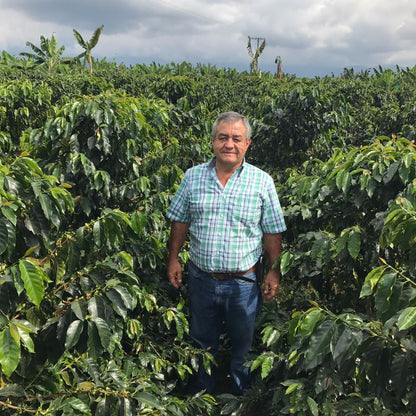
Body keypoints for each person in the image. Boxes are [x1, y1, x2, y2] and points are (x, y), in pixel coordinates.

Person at [166, 111, 286, 395]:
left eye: (236, 138)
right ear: (212, 142)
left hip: (243, 284)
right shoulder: (193, 177)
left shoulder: (261, 181)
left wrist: (273, 270)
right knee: (201, 340)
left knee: (243, 343)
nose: (229, 144)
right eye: (223, 138)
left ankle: (242, 396)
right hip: (202, 278)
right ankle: (202, 393)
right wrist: (173, 258)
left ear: (248, 144)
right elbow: (180, 221)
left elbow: (272, 231)